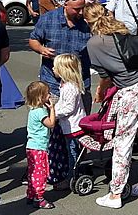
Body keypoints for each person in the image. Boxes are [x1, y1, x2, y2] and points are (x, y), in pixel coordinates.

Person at [83, 4, 138, 209]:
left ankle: (115, 193)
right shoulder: (121, 30)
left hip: (133, 87)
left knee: (123, 140)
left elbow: (105, 78)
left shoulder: (93, 44)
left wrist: (100, 93)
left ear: (87, 21)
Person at [29, 0, 93, 113]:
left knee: (80, 124)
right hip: (53, 83)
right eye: (76, 9)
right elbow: (33, 40)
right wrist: (41, 49)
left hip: (79, 83)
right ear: (65, 5)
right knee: (53, 123)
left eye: (82, 8)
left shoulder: (87, 23)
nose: (80, 12)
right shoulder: (48, 19)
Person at [51, 54, 86, 191]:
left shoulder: (70, 87)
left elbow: (69, 108)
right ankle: (72, 173)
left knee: (72, 152)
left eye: (56, 67)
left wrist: (54, 114)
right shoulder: (64, 84)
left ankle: (72, 176)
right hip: (68, 125)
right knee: (69, 150)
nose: (53, 69)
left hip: (74, 125)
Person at [23, 81, 57, 209]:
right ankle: (39, 197)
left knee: (32, 172)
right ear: (40, 97)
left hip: (31, 146)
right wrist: (52, 109)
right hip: (39, 148)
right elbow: (51, 124)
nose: (49, 95)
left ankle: (31, 195)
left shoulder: (33, 111)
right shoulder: (41, 112)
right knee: (40, 173)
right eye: (47, 94)